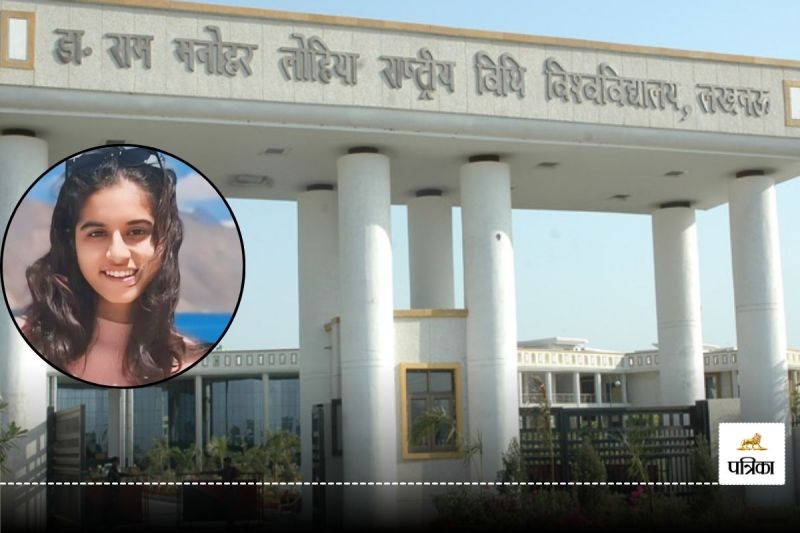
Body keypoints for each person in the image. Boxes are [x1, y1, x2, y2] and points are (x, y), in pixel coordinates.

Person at [19, 145, 206, 386]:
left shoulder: (190, 360)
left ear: (165, 240)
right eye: (97, 233)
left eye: (136, 231)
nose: (117, 254)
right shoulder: (20, 342)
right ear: (72, 243)